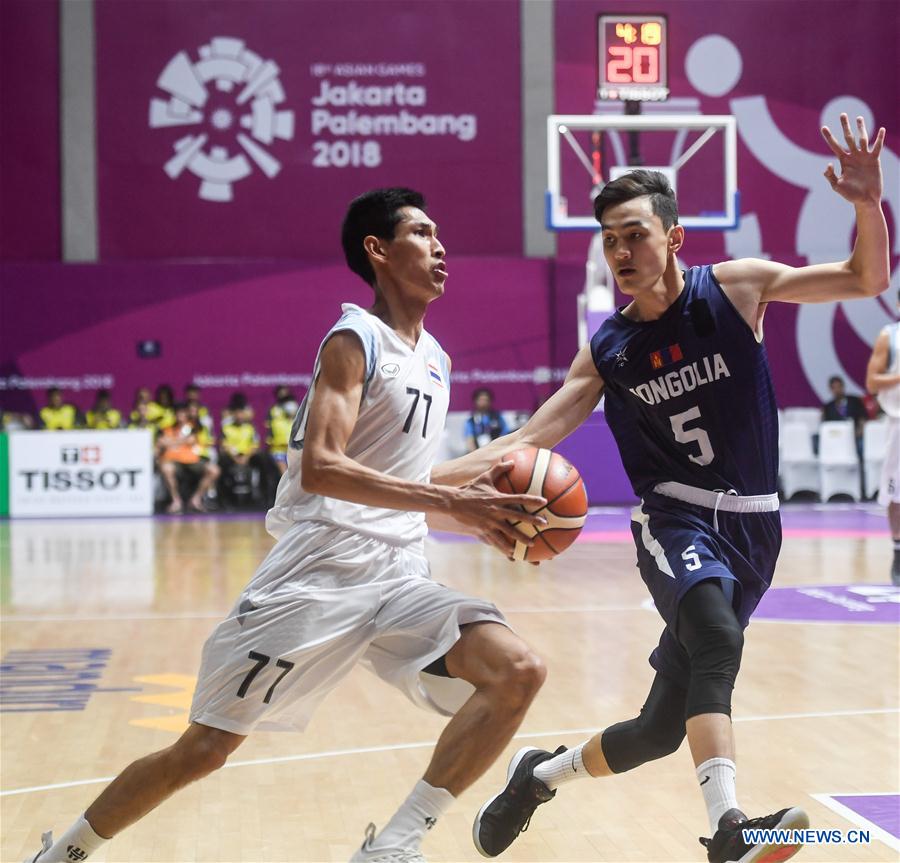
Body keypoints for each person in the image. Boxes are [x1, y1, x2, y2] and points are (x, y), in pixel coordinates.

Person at [24, 187, 550, 863]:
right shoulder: (353, 338)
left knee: (518, 670)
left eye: (439, 233)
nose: (440, 246)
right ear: (378, 250)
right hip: (317, 574)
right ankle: (63, 851)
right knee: (204, 750)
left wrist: (472, 503)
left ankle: (394, 842)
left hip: (398, 575)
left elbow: (407, 477)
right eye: (422, 233)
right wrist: (455, 503)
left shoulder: (438, 359)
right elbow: (323, 469)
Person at [432, 115, 890, 863]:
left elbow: (865, 278)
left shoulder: (737, 289)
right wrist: (407, 486)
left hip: (755, 527)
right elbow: (527, 440)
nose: (621, 251)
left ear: (673, 237)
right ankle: (732, 828)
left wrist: (867, 204)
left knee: (658, 730)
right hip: (675, 520)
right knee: (717, 636)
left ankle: (535, 776)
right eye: (610, 239)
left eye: (634, 234)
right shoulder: (609, 350)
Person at [865, 289, 900, 585]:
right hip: (898, 423)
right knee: (896, 492)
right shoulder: (890, 336)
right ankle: (898, 552)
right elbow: (872, 381)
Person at [156, 403, 220, 514]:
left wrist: (171, 442)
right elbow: (161, 442)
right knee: (166, 468)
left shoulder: (194, 427)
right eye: (177, 413)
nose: (180, 416)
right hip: (173, 460)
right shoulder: (168, 429)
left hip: (192, 460)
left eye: (182, 413)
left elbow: (191, 440)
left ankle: (196, 499)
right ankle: (176, 501)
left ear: (187, 414)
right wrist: (182, 441)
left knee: (214, 470)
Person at [821, 374, 866, 456]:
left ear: (843, 387)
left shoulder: (855, 401)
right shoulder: (828, 407)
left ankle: (861, 468)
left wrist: (859, 432)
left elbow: (862, 418)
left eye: (839, 387)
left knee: (862, 445)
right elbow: (825, 425)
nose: (837, 390)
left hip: (855, 436)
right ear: (830, 389)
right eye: (834, 388)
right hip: (836, 437)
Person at [464, 387, 509, 452]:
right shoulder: (471, 421)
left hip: (496, 452)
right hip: (478, 454)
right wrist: (475, 455)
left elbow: (504, 436)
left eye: (486, 400)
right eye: (480, 400)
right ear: (475, 401)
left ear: (490, 401)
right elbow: (469, 440)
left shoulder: (498, 418)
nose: (483, 403)